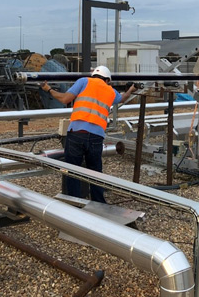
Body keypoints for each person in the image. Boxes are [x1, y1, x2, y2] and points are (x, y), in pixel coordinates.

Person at [40, 66, 136, 203]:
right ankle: (99, 203)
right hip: (96, 136)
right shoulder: (111, 91)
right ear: (107, 80)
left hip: (77, 133)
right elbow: (123, 98)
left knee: (72, 171)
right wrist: (131, 89)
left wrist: (48, 89)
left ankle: (75, 203)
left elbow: (65, 99)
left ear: (94, 75)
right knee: (95, 172)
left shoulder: (84, 81)